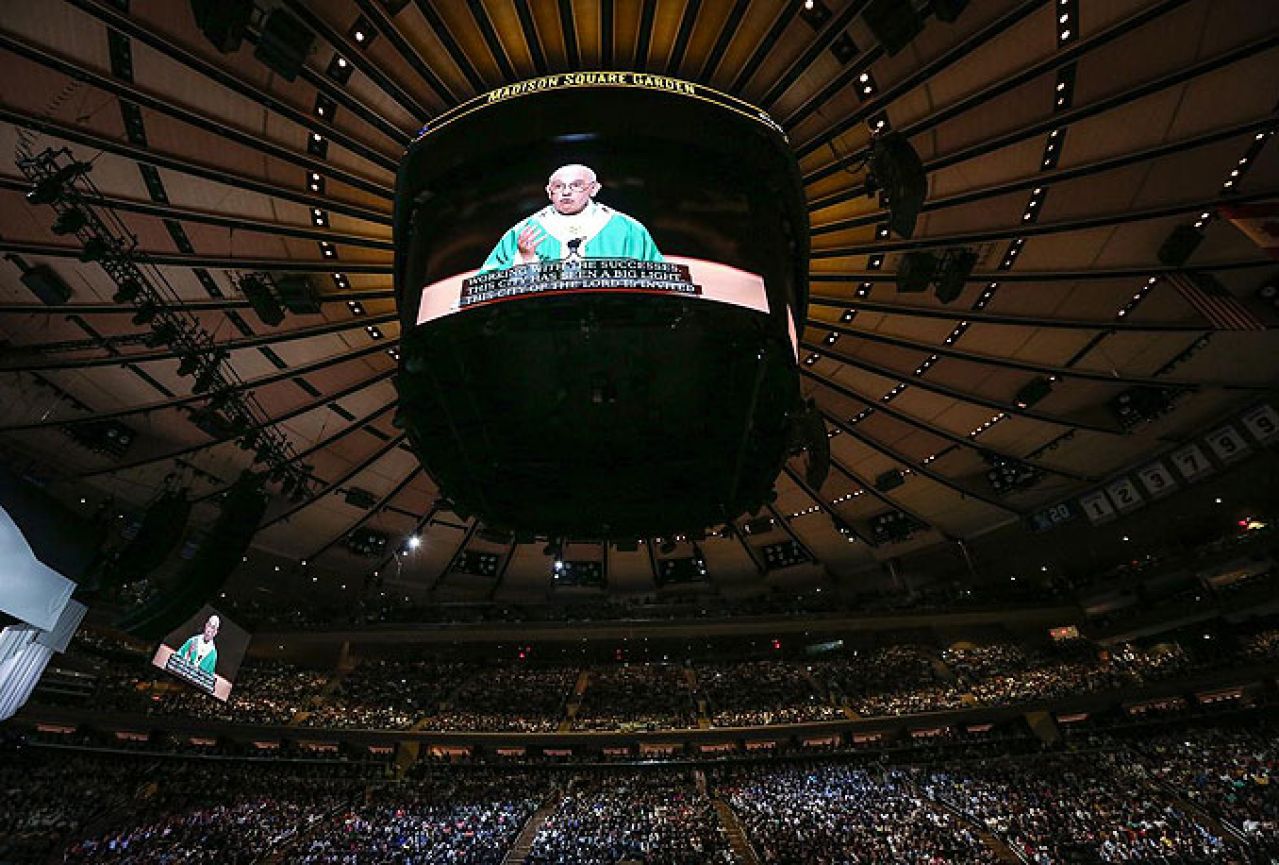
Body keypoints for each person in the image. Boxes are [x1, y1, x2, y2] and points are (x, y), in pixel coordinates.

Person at [480, 164, 662, 271]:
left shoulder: (628, 229)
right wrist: (524, 259)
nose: (566, 192)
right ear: (548, 192)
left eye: (576, 185)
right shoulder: (525, 231)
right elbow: (484, 283)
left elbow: (659, 276)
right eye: (558, 186)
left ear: (594, 189)